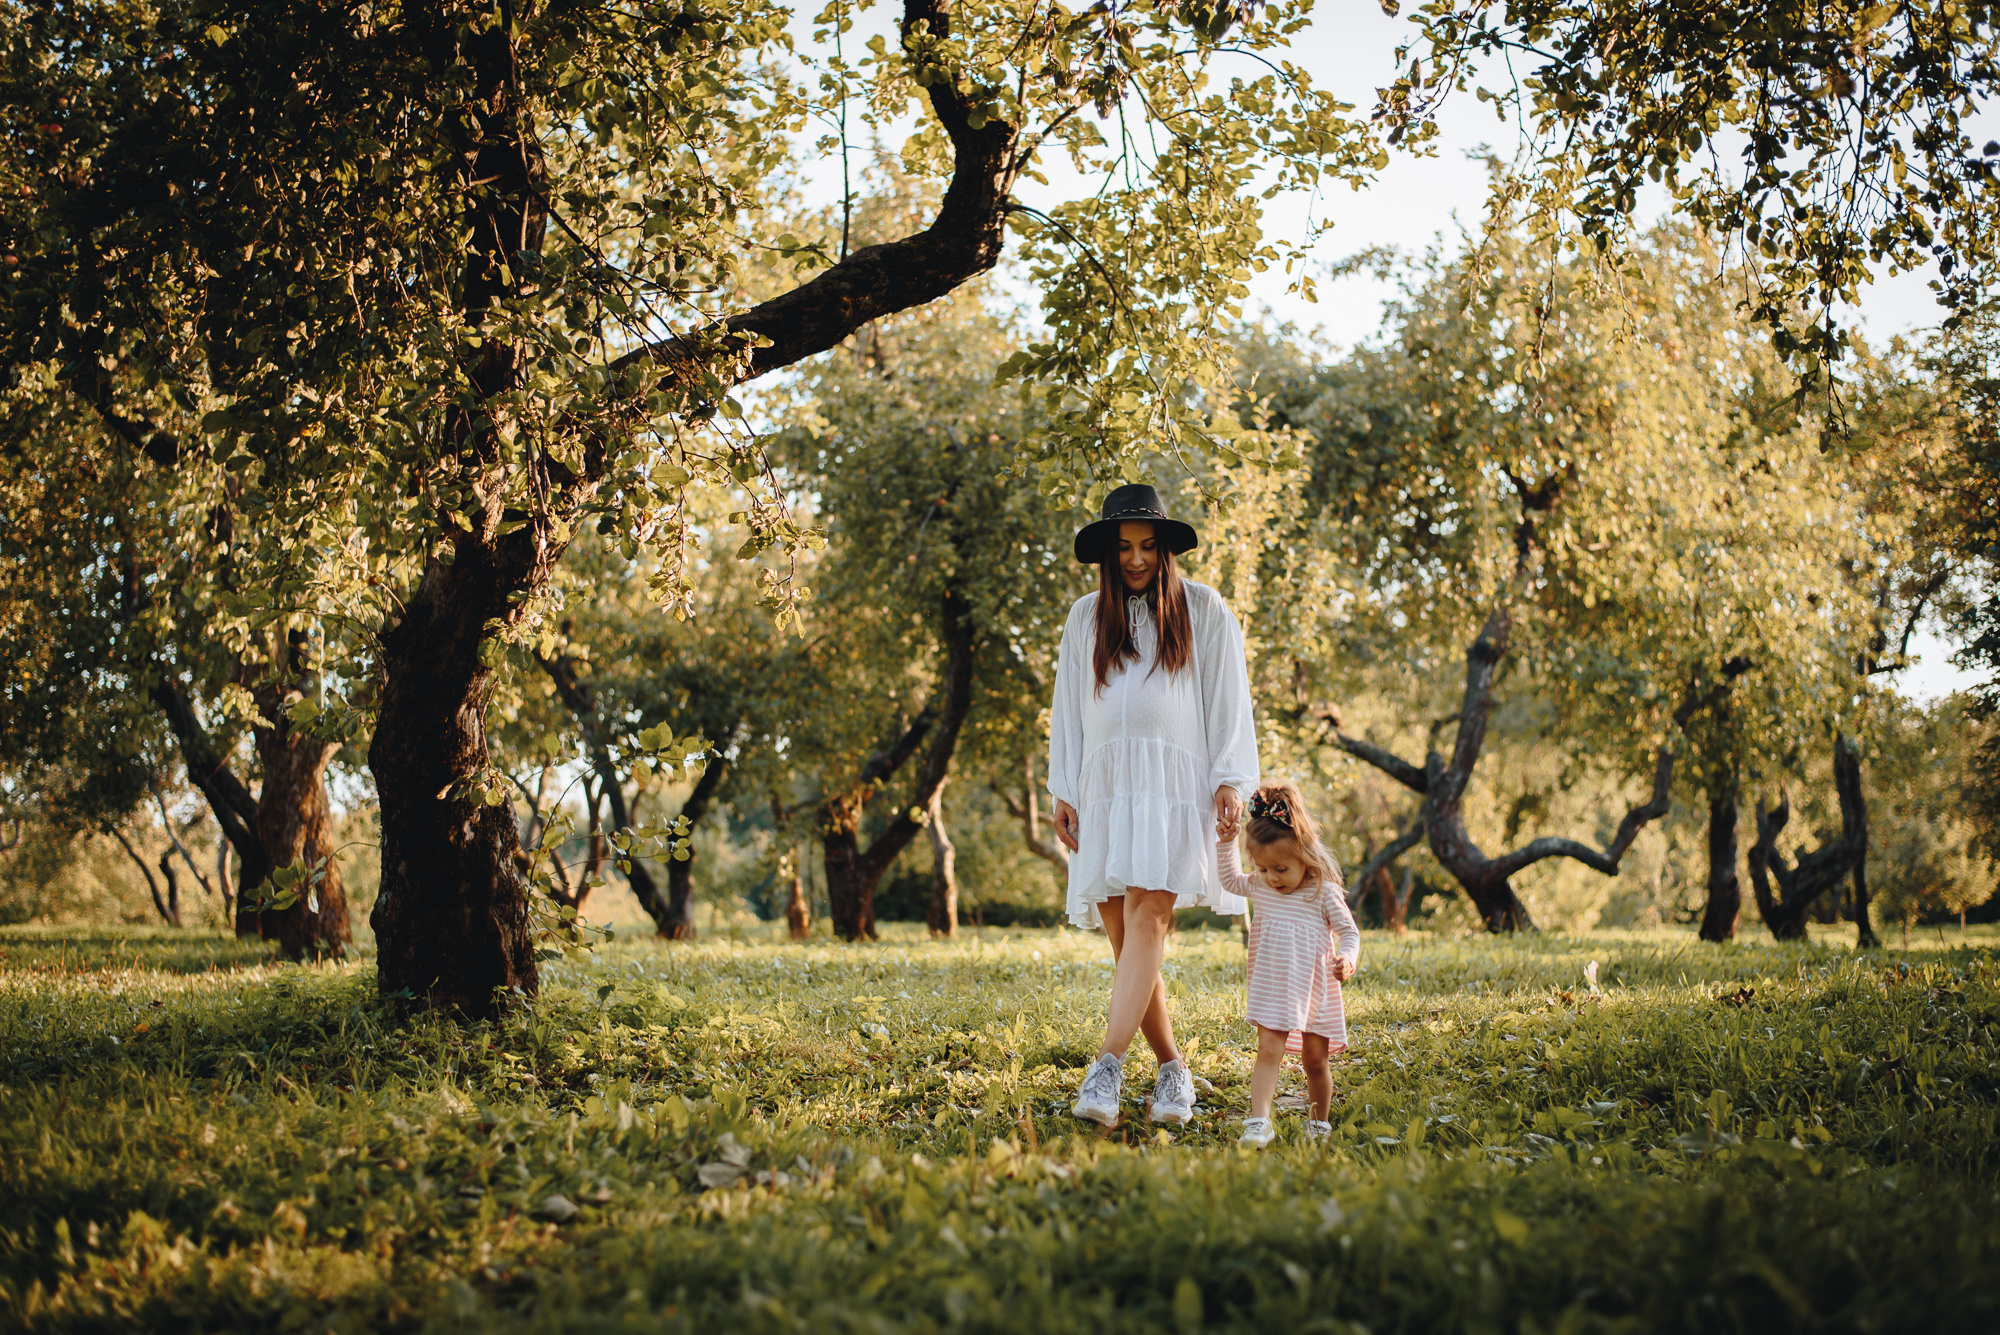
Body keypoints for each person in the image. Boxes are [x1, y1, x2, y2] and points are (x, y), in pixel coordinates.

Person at [1047, 483, 1260, 1127]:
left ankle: (1105, 1070)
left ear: (1165, 549)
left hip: (1173, 788)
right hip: (1106, 788)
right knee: (1127, 945)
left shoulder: (1204, 609)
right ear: (1107, 556)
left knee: (1148, 924)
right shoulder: (1086, 616)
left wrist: (1230, 778)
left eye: (1146, 547)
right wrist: (1064, 786)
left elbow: (1230, 699)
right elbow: (1067, 709)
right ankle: (1173, 1070)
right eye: (1123, 549)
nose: (1135, 560)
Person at [1214, 780, 1360, 1147]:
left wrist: (1348, 959)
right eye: (1263, 869)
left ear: (1304, 857)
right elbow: (1231, 880)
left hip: (1315, 992)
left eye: (1280, 869)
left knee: (1315, 1061)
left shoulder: (1320, 890)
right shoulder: (1261, 886)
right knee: (1268, 1052)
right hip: (1273, 987)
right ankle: (1258, 1121)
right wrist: (1227, 841)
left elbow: (1350, 932)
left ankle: (1319, 1122)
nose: (1271, 878)